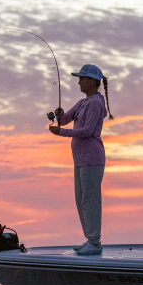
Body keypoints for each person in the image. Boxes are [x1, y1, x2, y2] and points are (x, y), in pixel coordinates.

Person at [48, 64, 110, 256]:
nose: (79, 81)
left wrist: (62, 133)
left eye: (82, 78)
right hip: (80, 160)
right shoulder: (83, 102)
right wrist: (60, 115)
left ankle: (94, 241)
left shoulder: (96, 103)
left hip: (92, 158)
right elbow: (65, 119)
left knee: (90, 200)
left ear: (91, 81)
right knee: (81, 200)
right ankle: (90, 240)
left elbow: (88, 131)